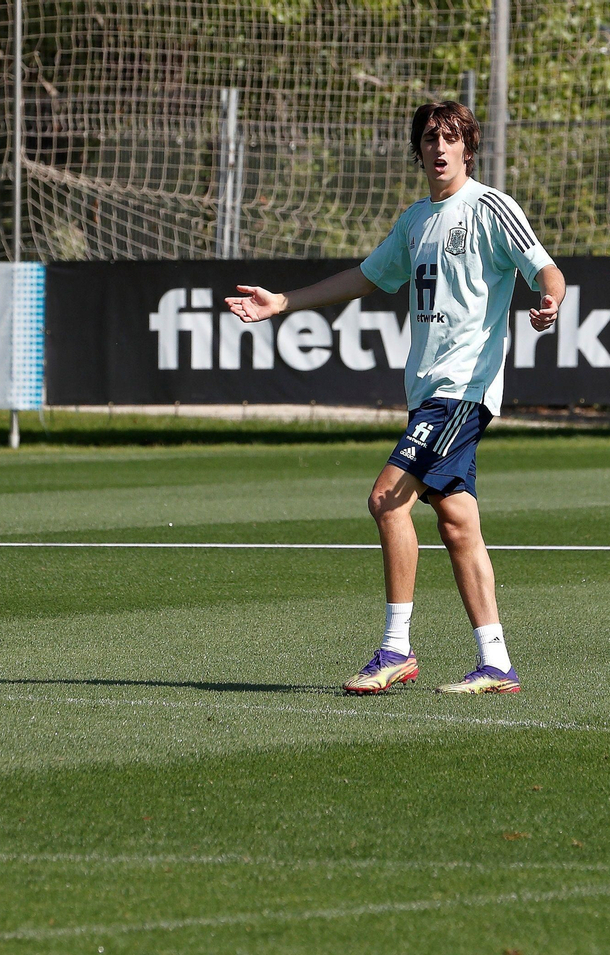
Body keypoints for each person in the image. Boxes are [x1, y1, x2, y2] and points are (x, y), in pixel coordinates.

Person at [225, 101, 564, 696]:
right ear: (419, 150)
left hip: (462, 391)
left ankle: (396, 650)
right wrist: (283, 303)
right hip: (428, 393)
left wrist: (550, 300)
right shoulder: (414, 221)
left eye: (451, 138)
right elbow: (364, 277)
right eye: (430, 138)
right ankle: (496, 662)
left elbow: (545, 268)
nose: (439, 148)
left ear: (468, 148)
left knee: (387, 500)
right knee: (458, 524)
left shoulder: (490, 208)